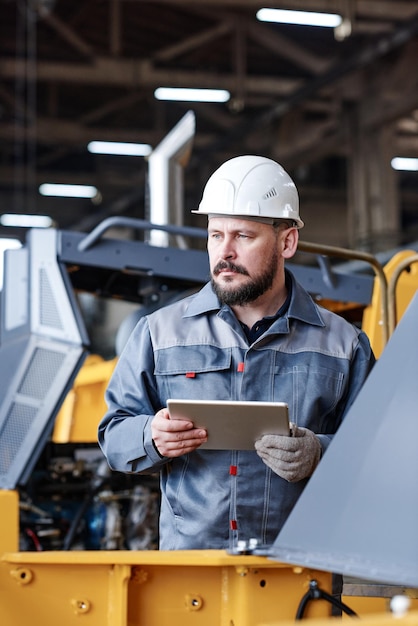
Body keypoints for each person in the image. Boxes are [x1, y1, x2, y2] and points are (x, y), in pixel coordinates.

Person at [98, 155, 375, 551]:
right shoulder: (158, 333)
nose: (224, 252)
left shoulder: (343, 344)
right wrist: (150, 436)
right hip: (191, 577)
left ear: (287, 241)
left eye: (242, 236)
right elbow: (113, 436)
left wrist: (320, 453)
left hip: (298, 573)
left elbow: (377, 456)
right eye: (215, 235)